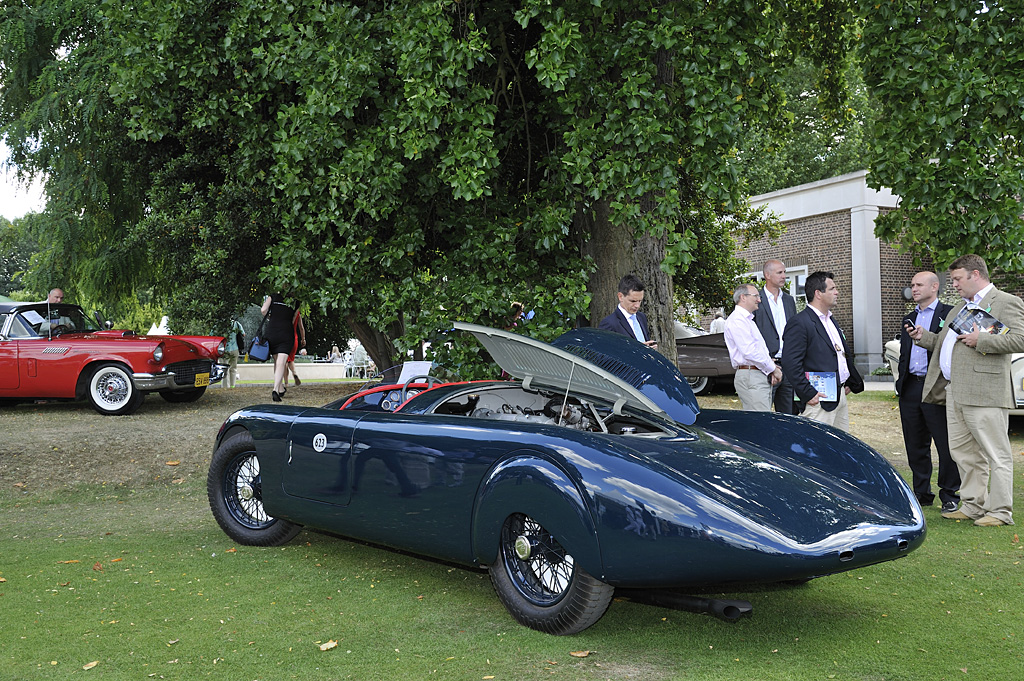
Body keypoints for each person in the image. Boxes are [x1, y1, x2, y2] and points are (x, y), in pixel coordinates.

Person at [909, 254, 1024, 526]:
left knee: (996, 454)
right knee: (964, 453)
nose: (955, 285)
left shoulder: (1006, 301)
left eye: (958, 279)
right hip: (955, 392)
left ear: (975, 275)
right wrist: (923, 338)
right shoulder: (959, 308)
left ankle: (999, 512)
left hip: (985, 391)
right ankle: (973, 505)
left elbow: (1020, 338)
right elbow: (947, 343)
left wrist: (981, 339)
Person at [896, 271, 959, 510]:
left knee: (945, 444)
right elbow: (905, 354)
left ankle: (950, 494)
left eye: (919, 284)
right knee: (915, 444)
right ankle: (922, 493)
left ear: (935, 287)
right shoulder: (909, 317)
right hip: (911, 387)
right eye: (912, 284)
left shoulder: (950, 313)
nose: (914, 289)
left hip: (937, 388)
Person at [781, 271, 864, 431]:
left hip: (838, 396)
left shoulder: (830, 320)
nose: (837, 292)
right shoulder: (799, 323)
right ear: (818, 293)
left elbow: (838, 354)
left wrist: (847, 380)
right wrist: (808, 393)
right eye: (832, 288)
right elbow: (790, 363)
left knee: (840, 447)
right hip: (817, 400)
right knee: (815, 450)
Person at [723, 284, 782, 411]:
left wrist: (769, 369)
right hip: (751, 375)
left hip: (756, 374)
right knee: (761, 424)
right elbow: (750, 352)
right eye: (756, 296)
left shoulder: (747, 320)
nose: (759, 300)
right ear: (743, 297)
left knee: (763, 421)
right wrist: (773, 369)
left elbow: (756, 350)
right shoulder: (738, 320)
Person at [753, 259, 799, 414]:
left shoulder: (789, 300)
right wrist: (767, 364)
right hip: (765, 365)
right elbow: (753, 334)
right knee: (762, 415)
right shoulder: (755, 300)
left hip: (788, 365)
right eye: (780, 272)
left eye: (784, 272)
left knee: (788, 416)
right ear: (767, 275)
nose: (784, 276)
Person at [598, 274, 657, 349]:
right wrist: (637, 350)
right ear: (620, 296)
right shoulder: (609, 323)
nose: (637, 305)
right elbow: (604, 353)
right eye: (633, 301)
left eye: (640, 301)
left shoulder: (642, 317)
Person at [261, 291, 301, 402]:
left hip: (272, 331)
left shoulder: (273, 296)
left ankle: (280, 388)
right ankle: (275, 389)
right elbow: (293, 320)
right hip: (286, 332)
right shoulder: (296, 302)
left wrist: (272, 317)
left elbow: (263, 310)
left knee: (276, 361)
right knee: (281, 362)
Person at [283, 310, 307, 392]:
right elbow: (301, 327)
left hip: (284, 337)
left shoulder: (284, 312)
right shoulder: (297, 313)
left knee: (284, 361)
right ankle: (294, 372)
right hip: (294, 339)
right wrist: (303, 339)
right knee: (291, 359)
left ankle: (286, 383)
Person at [222, 319, 245, 388]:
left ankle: (225, 386)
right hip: (235, 348)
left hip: (224, 349)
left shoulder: (219, 325)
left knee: (224, 368)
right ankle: (232, 385)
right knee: (233, 368)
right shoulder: (236, 324)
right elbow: (243, 334)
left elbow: (212, 335)